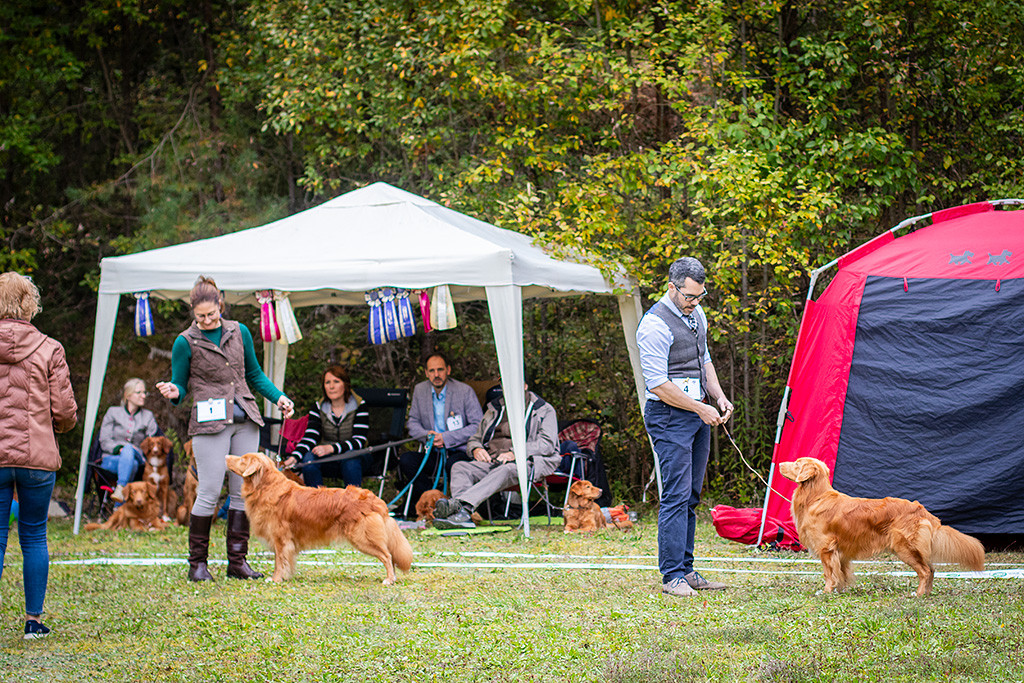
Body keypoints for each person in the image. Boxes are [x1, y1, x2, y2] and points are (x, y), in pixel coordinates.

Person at [156, 276, 294, 582]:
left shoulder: (239, 331)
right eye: (200, 316)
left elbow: (254, 374)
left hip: (245, 415)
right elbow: (180, 382)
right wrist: (174, 392)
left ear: (221, 304)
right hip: (209, 421)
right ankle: (198, 565)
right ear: (193, 312)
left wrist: (279, 397)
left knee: (241, 492)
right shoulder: (185, 341)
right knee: (208, 489)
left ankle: (237, 562)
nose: (206, 321)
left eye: (212, 314)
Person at [637, 257, 734, 597]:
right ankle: (672, 576)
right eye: (689, 296)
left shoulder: (697, 314)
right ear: (671, 287)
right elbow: (658, 384)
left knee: (691, 496)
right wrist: (698, 408)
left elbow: (703, 360)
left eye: (700, 296)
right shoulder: (653, 326)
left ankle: (688, 570)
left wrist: (718, 397)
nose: (695, 302)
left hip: (697, 413)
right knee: (675, 496)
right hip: (668, 416)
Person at [0, 272, 78, 639]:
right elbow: (64, 412)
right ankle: (33, 622)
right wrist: (53, 431)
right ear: (29, 303)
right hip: (36, 459)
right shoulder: (50, 348)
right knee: (33, 536)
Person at [432, 378, 559, 530]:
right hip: (494, 460)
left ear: (525, 385)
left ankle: (461, 508)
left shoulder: (543, 409)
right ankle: (461, 516)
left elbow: (547, 444)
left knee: (506, 469)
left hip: (527, 462)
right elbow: (474, 438)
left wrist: (515, 453)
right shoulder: (494, 408)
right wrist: (476, 449)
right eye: (505, 385)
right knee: (459, 467)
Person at [399, 351, 483, 508]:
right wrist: (427, 435)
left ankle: (457, 506)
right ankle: (431, 503)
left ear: (448, 370)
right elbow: (412, 422)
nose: (436, 374)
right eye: (431, 371)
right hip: (432, 451)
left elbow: (478, 425)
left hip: (458, 451)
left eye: (440, 370)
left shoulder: (464, 391)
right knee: (407, 460)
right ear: (426, 373)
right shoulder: (420, 390)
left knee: (453, 465)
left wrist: (447, 438)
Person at [282, 365, 370, 487]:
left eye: (336, 382)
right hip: (328, 459)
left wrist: (331, 448)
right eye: (327, 382)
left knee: (351, 459)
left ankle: (353, 503)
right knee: (309, 459)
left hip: (355, 458)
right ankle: (318, 501)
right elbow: (310, 437)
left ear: (345, 384)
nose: (331, 386)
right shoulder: (318, 407)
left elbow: (359, 441)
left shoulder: (360, 405)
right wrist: (295, 457)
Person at [97, 378, 160, 502]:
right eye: (139, 392)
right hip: (111, 459)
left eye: (144, 392)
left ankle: (121, 488)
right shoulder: (113, 412)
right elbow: (104, 440)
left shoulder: (148, 416)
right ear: (128, 395)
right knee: (131, 462)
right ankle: (118, 508)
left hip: (137, 456)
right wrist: (118, 449)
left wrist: (130, 449)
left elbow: (152, 441)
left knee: (130, 450)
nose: (143, 396)